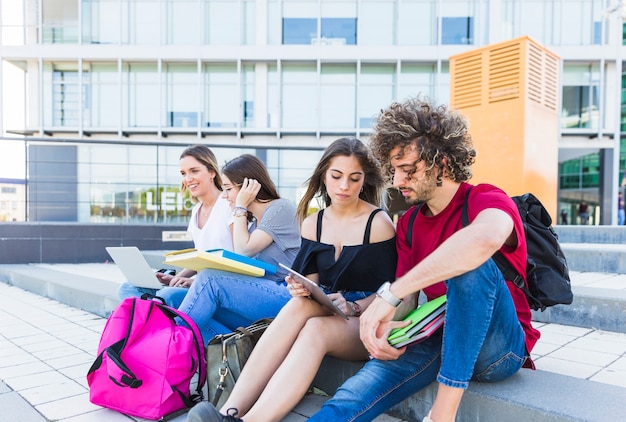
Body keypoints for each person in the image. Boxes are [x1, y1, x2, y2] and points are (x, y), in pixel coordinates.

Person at [303, 97, 540, 422]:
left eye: (408, 171)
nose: (397, 182)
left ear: (441, 163)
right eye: (394, 171)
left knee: (471, 265)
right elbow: (410, 299)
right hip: (440, 333)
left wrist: (392, 293)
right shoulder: (411, 223)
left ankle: (441, 415)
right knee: (356, 392)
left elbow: (482, 240)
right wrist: (385, 328)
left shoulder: (486, 199)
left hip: (499, 348)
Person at [186, 137, 400, 422]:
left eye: (354, 178)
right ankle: (229, 412)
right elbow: (308, 281)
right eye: (336, 176)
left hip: (366, 319)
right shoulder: (313, 223)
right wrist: (298, 287)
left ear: (364, 181)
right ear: (324, 176)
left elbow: (393, 292)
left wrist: (355, 307)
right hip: (329, 307)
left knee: (315, 330)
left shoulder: (378, 224)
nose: (343, 186)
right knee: (299, 306)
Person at [177, 154, 301, 345]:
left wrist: (241, 205)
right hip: (263, 296)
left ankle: (169, 344)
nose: (224, 196)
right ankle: (228, 358)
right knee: (178, 298)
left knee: (209, 279)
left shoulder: (280, 208)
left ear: (248, 188)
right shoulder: (254, 223)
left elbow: (243, 251)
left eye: (227, 189)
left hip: (287, 296)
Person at [117, 145, 233, 307]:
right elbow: (202, 256)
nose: (188, 178)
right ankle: (156, 315)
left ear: (212, 172)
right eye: (183, 173)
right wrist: (176, 277)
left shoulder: (228, 205)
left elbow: (237, 259)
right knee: (127, 289)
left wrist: (191, 282)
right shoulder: (196, 211)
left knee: (168, 294)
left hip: (217, 287)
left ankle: (154, 318)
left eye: (194, 171)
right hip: (197, 282)